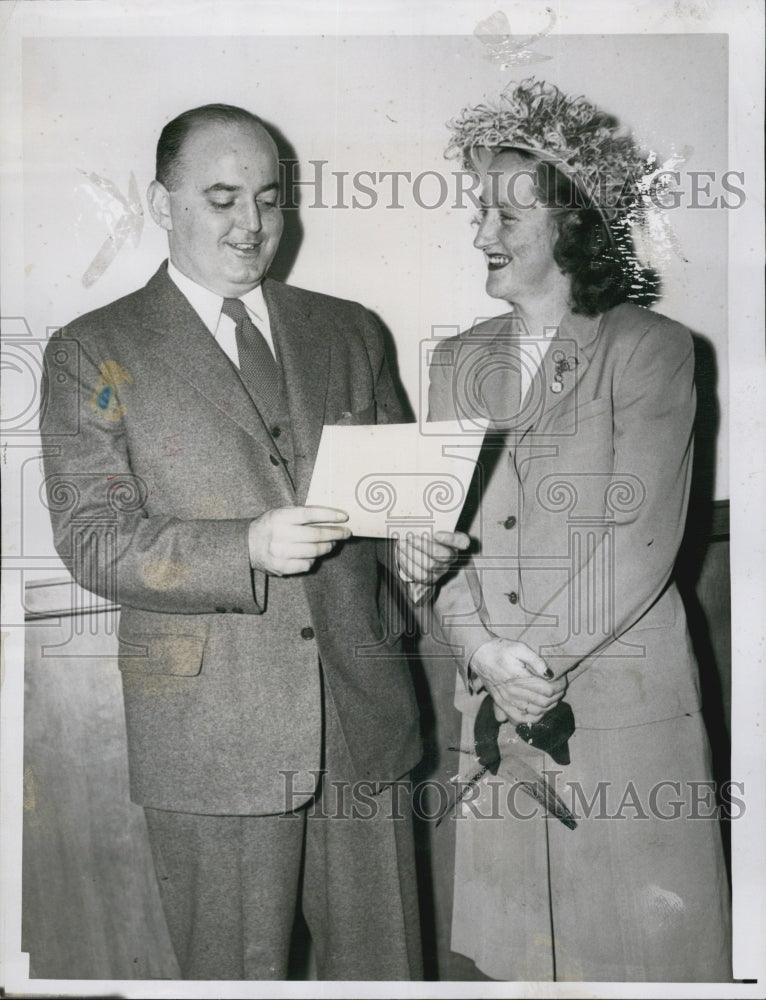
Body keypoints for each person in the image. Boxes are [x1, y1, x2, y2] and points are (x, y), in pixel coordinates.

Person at [39, 103, 464, 981]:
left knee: (385, 973)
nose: (253, 225)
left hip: (364, 718)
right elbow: (92, 539)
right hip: (212, 737)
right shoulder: (96, 352)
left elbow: (392, 511)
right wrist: (247, 546)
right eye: (223, 198)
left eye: (270, 199)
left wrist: (416, 545)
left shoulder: (349, 330)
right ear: (162, 202)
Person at [424, 79, 732, 982]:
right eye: (480, 211)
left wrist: (530, 665)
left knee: (643, 958)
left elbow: (638, 544)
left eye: (506, 218)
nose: (481, 233)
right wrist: (481, 652)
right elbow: (433, 534)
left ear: (572, 229)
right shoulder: (454, 360)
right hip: (495, 706)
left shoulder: (651, 348)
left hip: (619, 711)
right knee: (525, 961)